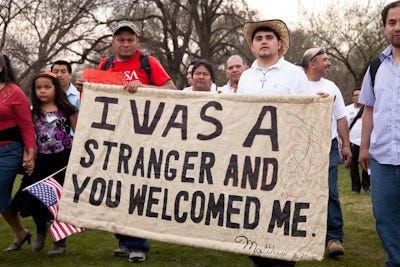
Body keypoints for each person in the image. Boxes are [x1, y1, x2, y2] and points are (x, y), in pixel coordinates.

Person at [77, 20, 176, 262]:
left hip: (143, 136)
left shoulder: (148, 62)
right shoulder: (105, 65)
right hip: (113, 137)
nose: (125, 44)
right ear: (113, 43)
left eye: (130, 39)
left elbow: (172, 89)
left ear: (137, 42)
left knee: (137, 188)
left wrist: (142, 87)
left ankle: (137, 244)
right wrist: (85, 86)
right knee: (115, 188)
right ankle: (123, 239)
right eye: (121, 40)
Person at [237, 19, 312, 267]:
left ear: (279, 44)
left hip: (284, 155)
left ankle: (283, 257)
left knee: (282, 207)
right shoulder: (246, 77)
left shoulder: (294, 74)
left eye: (268, 37)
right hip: (253, 156)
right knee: (255, 207)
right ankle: (258, 253)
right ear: (252, 47)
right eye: (258, 39)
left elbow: (307, 112)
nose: (263, 42)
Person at [11, 71, 78, 256]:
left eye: (47, 87)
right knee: (33, 198)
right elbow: (28, 137)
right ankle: (41, 229)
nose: (42, 91)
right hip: (41, 161)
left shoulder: (68, 110)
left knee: (56, 203)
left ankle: (60, 241)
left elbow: (79, 134)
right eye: (38, 88)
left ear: (56, 89)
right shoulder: (32, 113)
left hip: (63, 161)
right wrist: (29, 158)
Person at [359, 1, 400, 265]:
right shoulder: (376, 67)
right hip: (382, 158)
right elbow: (368, 110)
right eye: (392, 22)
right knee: (385, 220)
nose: (397, 27)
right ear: (385, 28)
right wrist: (363, 147)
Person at [302, 47, 352, 258]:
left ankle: (333, 238)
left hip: (327, 145)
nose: (329, 63)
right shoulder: (296, 84)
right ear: (312, 63)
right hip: (300, 145)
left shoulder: (331, 87)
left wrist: (346, 144)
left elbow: (340, 117)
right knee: (300, 189)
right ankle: (302, 234)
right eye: (324, 60)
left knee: (329, 190)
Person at [0, 54, 36, 252]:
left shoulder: (13, 92)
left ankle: (23, 230)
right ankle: (21, 233)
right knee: (2, 197)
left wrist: (30, 151)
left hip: (9, 151)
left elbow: (26, 124)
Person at [345, 89, 370, 194]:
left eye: (360, 95)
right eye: (355, 95)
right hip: (352, 141)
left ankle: (366, 186)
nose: (358, 97)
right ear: (352, 97)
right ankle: (356, 188)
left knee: (366, 165)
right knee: (353, 166)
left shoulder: (368, 109)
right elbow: (344, 126)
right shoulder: (346, 109)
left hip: (365, 142)